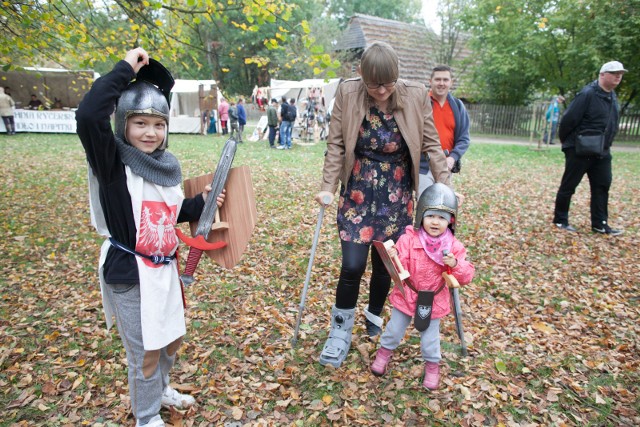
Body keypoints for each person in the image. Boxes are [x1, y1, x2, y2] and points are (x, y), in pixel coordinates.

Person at [76, 47, 225, 427]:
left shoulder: (164, 165)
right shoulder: (111, 162)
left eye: (158, 125)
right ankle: (146, 417)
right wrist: (126, 69)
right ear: (123, 123)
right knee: (144, 349)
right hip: (129, 270)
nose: (150, 132)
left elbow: (168, 213)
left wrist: (200, 202)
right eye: (140, 123)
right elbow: (89, 114)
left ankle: (160, 390)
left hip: (163, 269)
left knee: (170, 337)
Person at [314, 41, 451, 369]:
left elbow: (432, 144)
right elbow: (335, 144)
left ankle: (374, 312)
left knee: (386, 264)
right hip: (358, 192)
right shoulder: (348, 93)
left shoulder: (415, 95)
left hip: (397, 193)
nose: (382, 91)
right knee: (351, 266)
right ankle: (339, 332)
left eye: (388, 83)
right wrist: (327, 187)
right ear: (362, 76)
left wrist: (445, 186)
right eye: (374, 85)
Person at [370, 183, 474, 390]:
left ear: (451, 221)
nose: (435, 222)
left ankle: (432, 366)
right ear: (421, 217)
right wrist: (393, 257)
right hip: (407, 294)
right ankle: (384, 354)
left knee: (430, 339)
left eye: (442, 218)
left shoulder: (453, 246)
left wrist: (455, 264)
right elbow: (398, 267)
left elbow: (467, 275)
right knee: (393, 330)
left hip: (433, 300)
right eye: (431, 216)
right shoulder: (408, 240)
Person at [553, 60, 627, 236]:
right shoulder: (587, 94)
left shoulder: (612, 96)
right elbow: (568, 121)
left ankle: (600, 223)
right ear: (602, 75)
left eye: (621, 73)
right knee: (569, 185)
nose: (618, 76)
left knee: (602, 186)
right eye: (614, 72)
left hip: (602, 152)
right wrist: (569, 146)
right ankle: (560, 220)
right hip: (580, 150)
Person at [419, 65, 471, 196]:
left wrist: (453, 158)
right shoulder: (421, 103)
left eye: (445, 80)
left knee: (444, 207)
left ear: (451, 82)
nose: (441, 83)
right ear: (430, 81)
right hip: (424, 166)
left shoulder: (457, 106)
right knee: (426, 206)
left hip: (446, 165)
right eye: (437, 79)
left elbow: (464, 138)